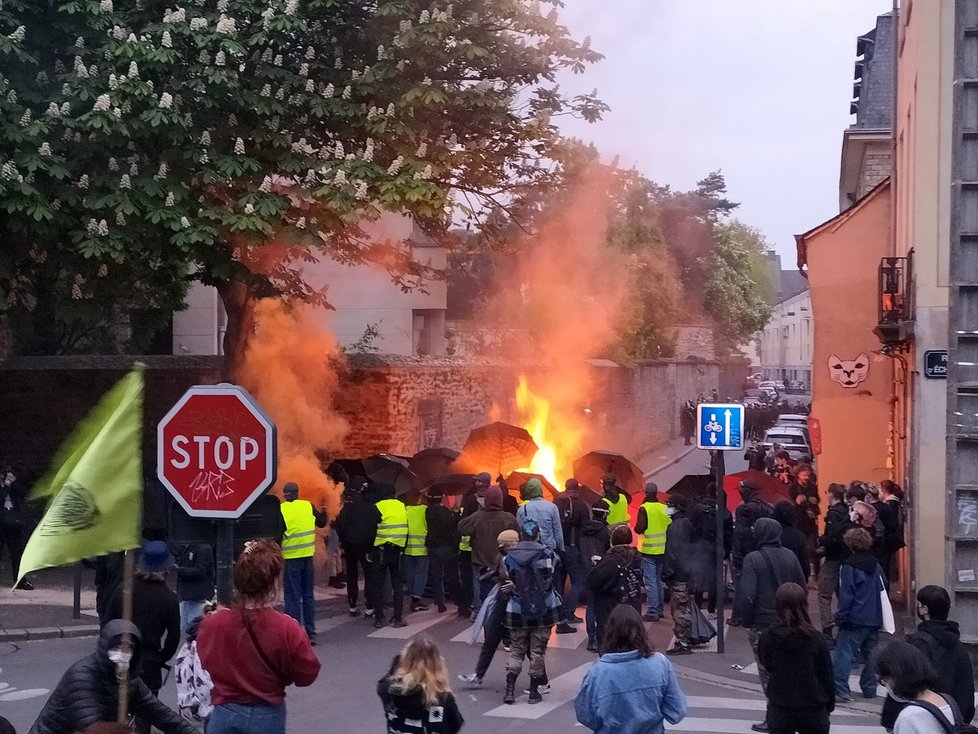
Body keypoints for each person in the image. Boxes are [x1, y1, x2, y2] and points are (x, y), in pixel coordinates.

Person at [197, 539, 320, 734]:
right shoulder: (287, 628)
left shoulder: (213, 624)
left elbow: (205, 662)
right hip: (267, 715)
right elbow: (307, 674)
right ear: (273, 584)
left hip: (224, 712)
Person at [29, 619, 197, 734]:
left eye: (128, 648)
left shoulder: (130, 681)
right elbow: (93, 728)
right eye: (117, 647)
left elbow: (162, 716)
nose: (123, 654)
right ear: (105, 647)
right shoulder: (82, 677)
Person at [736, 518, 806, 732]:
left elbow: (748, 594)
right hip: (790, 621)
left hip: (763, 623)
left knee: (767, 673)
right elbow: (802, 585)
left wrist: (746, 621)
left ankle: (774, 717)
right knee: (789, 670)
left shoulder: (753, 558)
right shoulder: (790, 555)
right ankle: (791, 714)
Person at [574, 604, 688, 734]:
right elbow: (677, 711)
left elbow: (585, 715)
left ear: (610, 633)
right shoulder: (659, 664)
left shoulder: (598, 672)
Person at [881, 585, 975, 729]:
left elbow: (903, 680)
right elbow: (966, 686)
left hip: (921, 718)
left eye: (919, 604)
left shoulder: (918, 643)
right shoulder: (958, 645)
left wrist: (889, 719)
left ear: (925, 609)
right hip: (953, 718)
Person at [104, 541, 181, 705]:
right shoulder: (169, 598)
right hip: (150, 663)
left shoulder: (124, 589)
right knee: (146, 712)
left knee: (116, 709)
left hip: (121, 657)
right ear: (166, 568)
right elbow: (173, 637)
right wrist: (161, 657)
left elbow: (107, 624)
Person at [758, 583, 834, 734]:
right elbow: (826, 674)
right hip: (812, 705)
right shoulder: (816, 639)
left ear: (777, 606)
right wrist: (829, 705)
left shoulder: (768, 637)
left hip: (780, 705)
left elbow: (767, 665)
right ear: (804, 605)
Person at [503, 518, 561, 705]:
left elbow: (504, 579)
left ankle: (509, 690)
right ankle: (534, 692)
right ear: (538, 534)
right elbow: (551, 574)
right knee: (537, 651)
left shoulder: (509, 557)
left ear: (521, 534)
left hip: (517, 608)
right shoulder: (547, 554)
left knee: (516, 649)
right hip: (542, 608)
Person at [458, 529, 520, 687]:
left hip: (516, 602)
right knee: (491, 638)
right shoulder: (502, 557)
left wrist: (510, 582)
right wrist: (492, 576)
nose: (501, 546)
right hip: (502, 598)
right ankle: (479, 674)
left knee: (524, 644)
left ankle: (540, 679)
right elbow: (496, 572)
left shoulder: (519, 558)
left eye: (504, 544)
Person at [832, 527, 884, 702]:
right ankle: (869, 688)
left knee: (844, 653)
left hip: (855, 616)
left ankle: (841, 689)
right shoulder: (876, 565)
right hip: (874, 616)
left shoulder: (849, 566)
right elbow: (883, 589)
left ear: (850, 543)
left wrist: (841, 616)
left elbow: (847, 594)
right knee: (871, 654)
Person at [378, 637, 464, 734]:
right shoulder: (443, 698)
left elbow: (384, 681)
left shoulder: (389, 690)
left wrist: (401, 660)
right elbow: (455, 724)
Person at [875, 642, 963, 734]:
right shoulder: (948, 701)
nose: (887, 686)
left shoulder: (909, 716)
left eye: (884, 681)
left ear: (895, 676)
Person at [278, 481, 327, 641]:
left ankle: (294, 634)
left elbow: (277, 533)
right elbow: (321, 522)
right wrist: (324, 508)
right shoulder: (308, 506)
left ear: (285, 495)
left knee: (292, 596)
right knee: (307, 595)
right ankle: (311, 631)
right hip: (307, 557)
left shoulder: (281, 509)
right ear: (298, 493)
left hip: (292, 559)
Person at [458, 484, 519, 611]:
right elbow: (518, 535)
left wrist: (479, 511)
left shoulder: (477, 516)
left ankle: (479, 610)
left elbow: (462, 527)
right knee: (503, 584)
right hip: (502, 561)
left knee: (478, 584)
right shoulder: (508, 518)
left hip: (480, 559)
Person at [586, 525, 644, 645]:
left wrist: (596, 566)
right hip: (632, 608)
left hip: (610, 611)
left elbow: (592, 582)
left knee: (610, 646)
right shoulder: (637, 558)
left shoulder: (609, 561)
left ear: (613, 540)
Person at [334, 476, 379, 618]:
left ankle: (352, 607)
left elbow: (339, 524)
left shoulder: (346, 505)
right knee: (369, 575)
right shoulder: (370, 505)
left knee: (352, 576)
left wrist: (342, 541)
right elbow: (374, 527)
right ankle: (369, 608)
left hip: (349, 545)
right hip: (365, 545)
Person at [730, 479, 773, 626]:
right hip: (761, 551)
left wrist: (736, 555)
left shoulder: (745, 509)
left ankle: (738, 616)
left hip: (745, 553)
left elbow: (740, 534)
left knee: (741, 586)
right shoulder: (765, 506)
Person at [816, 484, 852, 643]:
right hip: (846, 557)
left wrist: (822, 541)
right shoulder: (847, 512)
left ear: (831, 494)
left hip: (833, 559)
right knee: (843, 593)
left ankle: (827, 629)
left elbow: (832, 538)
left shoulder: (834, 513)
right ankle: (845, 625)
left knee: (824, 594)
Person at [371, 482, 409, 628]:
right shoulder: (401, 505)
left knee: (378, 584)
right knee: (397, 583)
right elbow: (407, 527)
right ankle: (398, 618)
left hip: (381, 549)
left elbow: (372, 528)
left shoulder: (378, 506)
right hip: (397, 549)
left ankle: (379, 618)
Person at [661, 495, 696, 656]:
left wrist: (666, 572)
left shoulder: (675, 527)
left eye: (669, 505)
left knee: (679, 608)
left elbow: (672, 552)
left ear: (676, 507)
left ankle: (683, 642)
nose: (666, 507)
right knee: (682, 605)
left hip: (678, 573)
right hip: (686, 570)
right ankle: (684, 638)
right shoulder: (687, 523)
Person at [555, 478, 590, 625]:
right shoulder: (581, 505)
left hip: (558, 547)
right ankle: (569, 613)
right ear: (577, 488)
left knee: (559, 581)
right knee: (577, 582)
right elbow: (586, 526)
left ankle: (558, 612)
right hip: (573, 547)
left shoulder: (557, 503)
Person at [456, 473, 491, 619]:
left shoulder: (471, 499)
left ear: (480, 483)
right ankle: (486, 608)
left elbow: (463, 523)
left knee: (472, 579)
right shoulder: (493, 498)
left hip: (469, 547)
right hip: (487, 546)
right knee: (486, 578)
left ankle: (475, 610)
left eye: (477, 481)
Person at [634, 481, 670, 622]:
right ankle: (660, 609)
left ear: (646, 493)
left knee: (650, 582)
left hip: (648, 550)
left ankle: (653, 611)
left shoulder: (644, 508)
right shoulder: (664, 508)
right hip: (662, 549)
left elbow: (640, 528)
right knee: (659, 580)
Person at [174, 607, 215, 727]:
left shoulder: (189, 647)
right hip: (209, 705)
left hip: (199, 704)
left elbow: (182, 674)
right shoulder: (197, 647)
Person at [581, 502, 612, 651]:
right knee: (602, 605)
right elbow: (608, 551)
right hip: (602, 570)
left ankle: (591, 638)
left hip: (587, 570)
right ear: (605, 513)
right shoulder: (605, 531)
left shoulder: (583, 529)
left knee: (591, 606)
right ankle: (602, 636)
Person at [425, 489, 457, 614]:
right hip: (446, 546)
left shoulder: (428, 511)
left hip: (432, 546)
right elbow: (451, 526)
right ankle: (457, 600)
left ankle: (440, 602)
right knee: (451, 574)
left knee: (436, 576)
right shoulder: (445, 512)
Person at [515, 478, 565, 555]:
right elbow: (558, 532)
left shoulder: (522, 509)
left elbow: (519, 532)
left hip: (530, 551)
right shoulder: (552, 507)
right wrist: (561, 550)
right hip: (549, 550)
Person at [175, 543, 215, 637]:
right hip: (186, 597)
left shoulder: (203, 547)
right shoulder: (188, 546)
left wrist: (179, 570)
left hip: (198, 598)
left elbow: (201, 571)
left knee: (196, 633)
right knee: (185, 632)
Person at [0, 466, 30, 590]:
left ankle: (20, 581)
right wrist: (6, 486)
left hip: (13, 521)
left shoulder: (11, 486)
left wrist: (14, 483)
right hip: (1, 522)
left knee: (17, 552)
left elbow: (23, 494)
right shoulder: (3, 487)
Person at [403, 495, 431, 612]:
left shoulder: (405, 510)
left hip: (408, 547)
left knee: (410, 572)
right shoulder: (425, 509)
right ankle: (416, 599)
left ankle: (412, 593)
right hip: (422, 547)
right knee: (421, 574)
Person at [772, 502, 809, 582]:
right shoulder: (799, 536)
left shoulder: (770, 534)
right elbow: (804, 564)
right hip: (793, 579)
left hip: (772, 579)